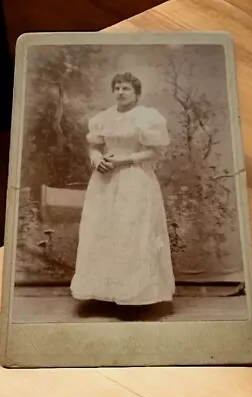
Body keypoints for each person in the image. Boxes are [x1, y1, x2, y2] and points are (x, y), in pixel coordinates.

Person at [70, 72, 175, 305]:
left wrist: (125, 160)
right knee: (103, 229)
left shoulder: (147, 118)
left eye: (126, 88)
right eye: (117, 87)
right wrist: (97, 159)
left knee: (132, 230)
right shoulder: (103, 118)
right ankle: (103, 292)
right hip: (105, 180)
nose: (120, 92)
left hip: (135, 178)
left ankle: (135, 292)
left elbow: (156, 152)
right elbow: (94, 146)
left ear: (136, 93)